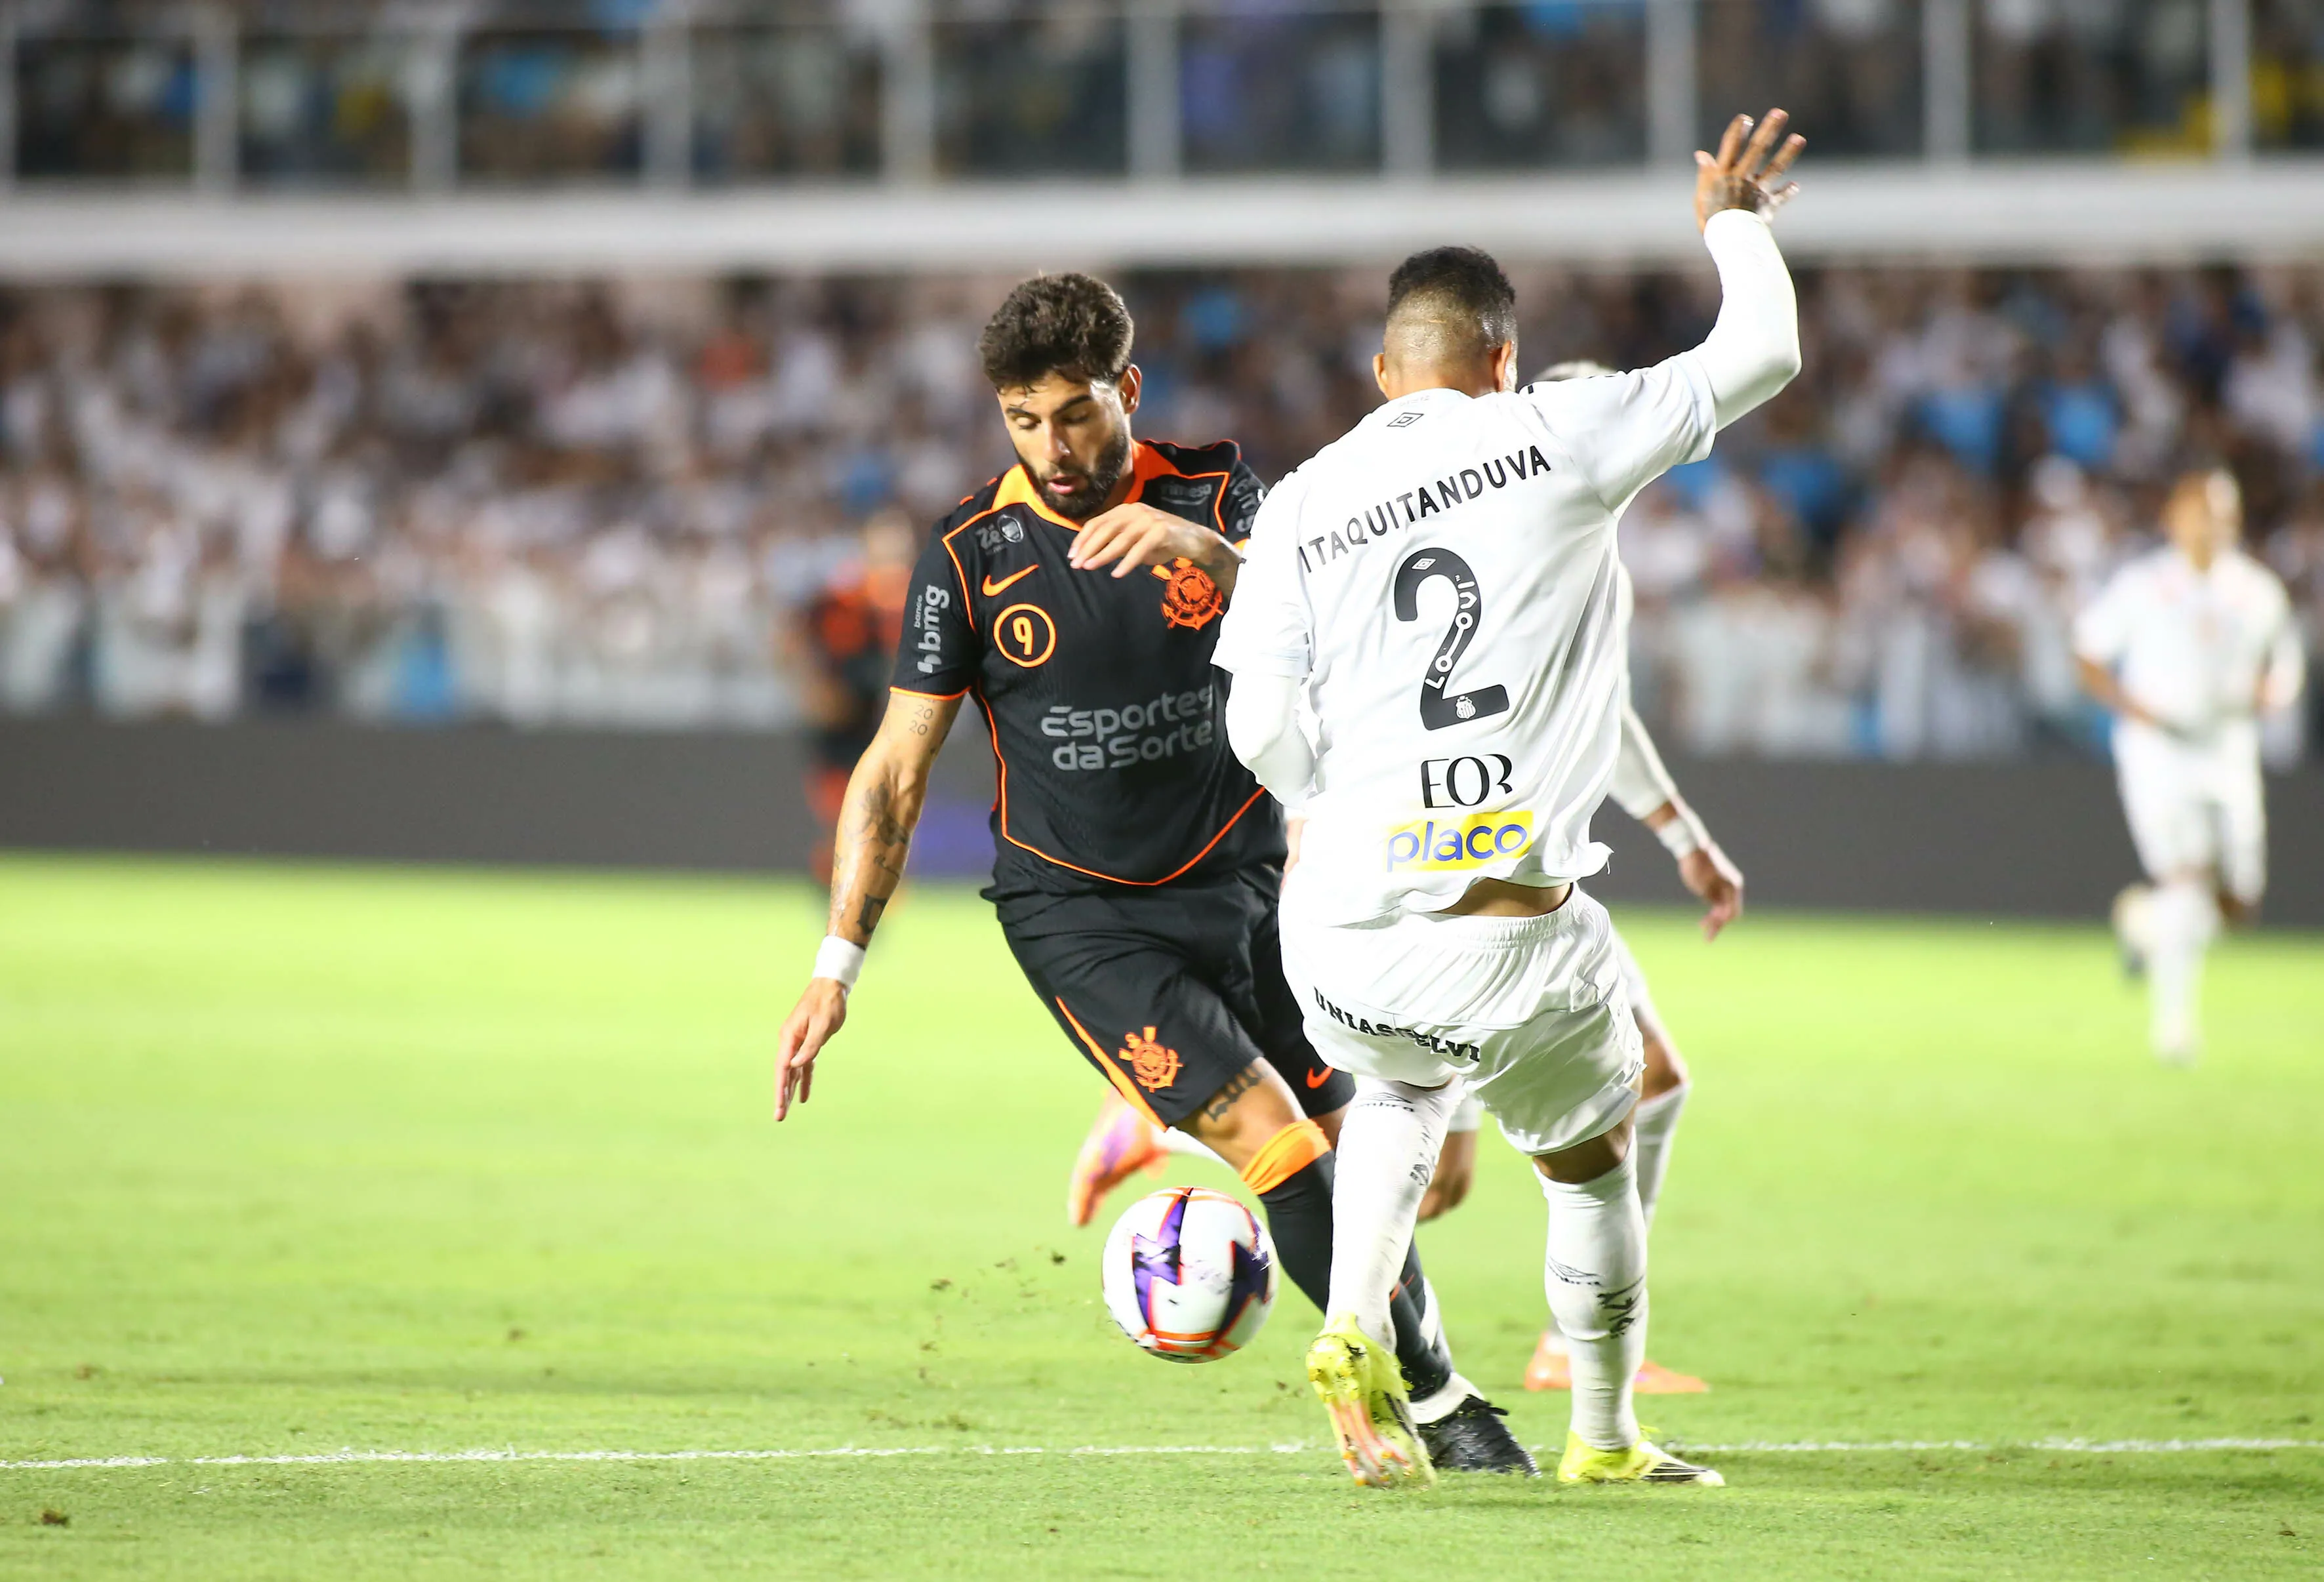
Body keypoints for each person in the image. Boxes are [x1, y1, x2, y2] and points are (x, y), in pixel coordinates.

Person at [771, 272, 1534, 1474]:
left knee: (1367, 1155)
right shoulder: (969, 558)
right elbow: (893, 770)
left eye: (1073, 413)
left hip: (1252, 889)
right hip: (1083, 918)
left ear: (1126, 389)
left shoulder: (1220, 493)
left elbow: (1357, 632)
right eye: (1022, 419)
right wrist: (837, 964)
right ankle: (1435, 1407)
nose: (1051, 445)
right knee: (1284, 1150)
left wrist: (1212, 555)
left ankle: (1170, 1141)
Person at [1213, 110, 1804, 1488]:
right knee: (1590, 1161)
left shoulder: (1298, 504)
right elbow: (1766, 351)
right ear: (1503, 357)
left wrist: (1324, 806)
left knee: (1390, 1085)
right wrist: (1733, 220)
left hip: (1340, 926)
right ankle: (1602, 1435)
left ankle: (1355, 1320)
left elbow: (1250, 723)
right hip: (1506, 931)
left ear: (1381, 371)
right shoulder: (1556, 434)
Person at [1415, 359, 1740, 1398]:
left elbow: (1602, 708)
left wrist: (1678, 832)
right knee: (1432, 1180)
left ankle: (1583, 1348)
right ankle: (1195, 1145)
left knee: (1656, 1080)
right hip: (1457, 889)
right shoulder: (1515, 542)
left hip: (1530, 887)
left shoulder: (1573, 540)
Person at [2075, 468, 2306, 1065]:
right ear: (2174, 518)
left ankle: (2143, 923)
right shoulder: (2144, 585)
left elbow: (2285, 660)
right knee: (2185, 879)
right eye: (2201, 512)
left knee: (2236, 905)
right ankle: (2173, 1031)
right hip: (2160, 752)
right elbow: (2090, 653)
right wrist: (2133, 709)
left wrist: (2276, 691)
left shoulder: (2256, 591)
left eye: (2223, 514)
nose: (2212, 525)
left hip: (2227, 750)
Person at [794, 511, 914, 885]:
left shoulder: (918, 599)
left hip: (888, 729)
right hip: (841, 729)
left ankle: (872, 897)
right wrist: (813, 687)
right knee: (843, 820)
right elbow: (796, 638)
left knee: (886, 820)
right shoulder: (841, 600)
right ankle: (835, 892)